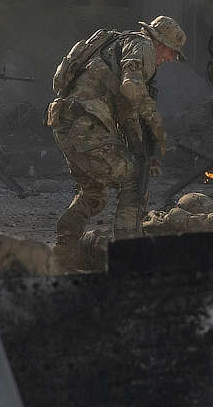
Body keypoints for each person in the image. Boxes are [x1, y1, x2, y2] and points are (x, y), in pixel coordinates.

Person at [46, 15, 186, 269]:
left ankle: (63, 249)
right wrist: (154, 119)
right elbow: (131, 88)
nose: (171, 58)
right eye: (172, 52)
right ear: (161, 42)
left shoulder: (118, 44)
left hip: (67, 122)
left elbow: (125, 108)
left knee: (94, 193)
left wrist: (140, 146)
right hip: (86, 126)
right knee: (133, 177)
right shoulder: (142, 46)